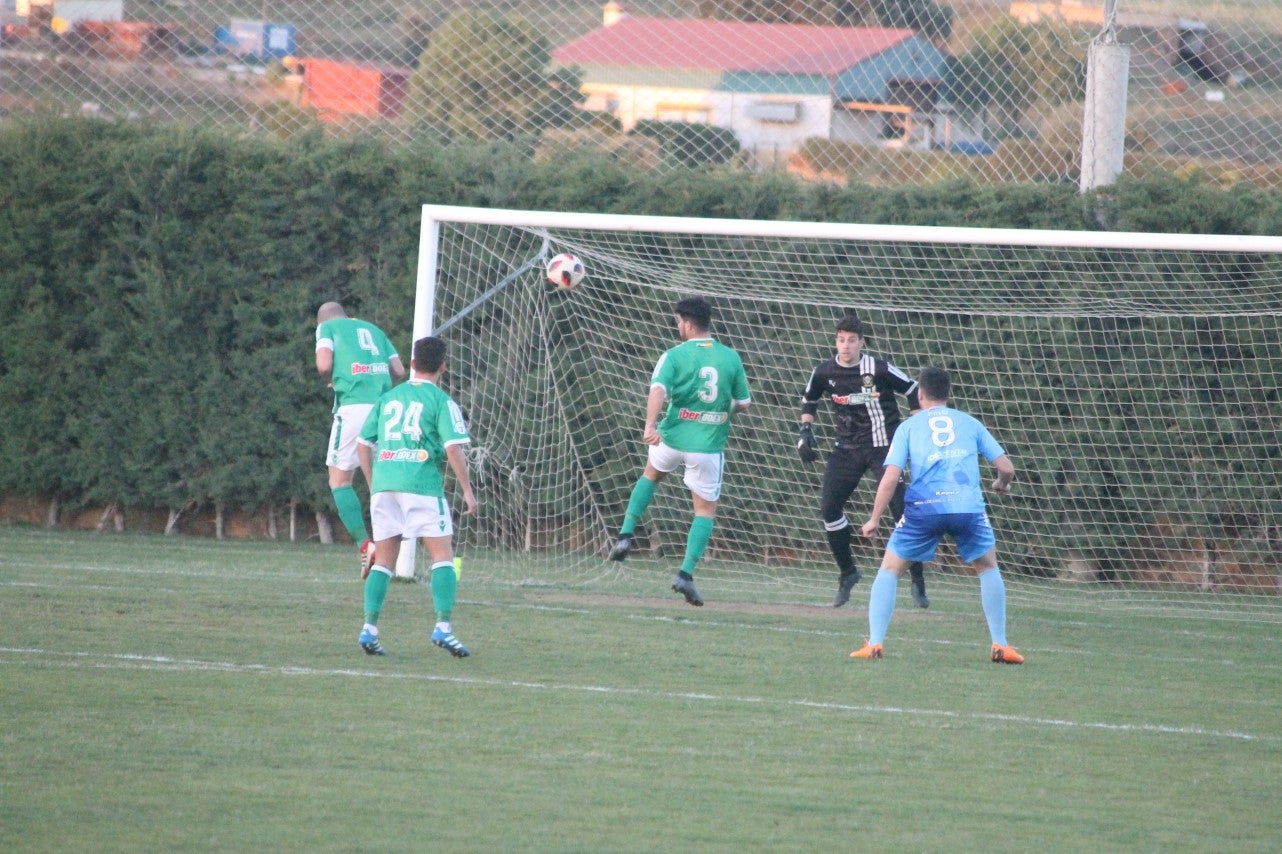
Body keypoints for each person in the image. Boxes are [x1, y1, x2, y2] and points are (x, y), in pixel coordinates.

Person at [850, 366, 1022, 664]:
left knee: (890, 568)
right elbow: (1006, 468)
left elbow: (891, 477)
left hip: (925, 508)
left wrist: (874, 518)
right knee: (988, 566)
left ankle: (875, 643)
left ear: (919, 395)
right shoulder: (970, 422)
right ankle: (1000, 645)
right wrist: (1000, 484)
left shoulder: (908, 427)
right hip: (967, 507)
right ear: (949, 394)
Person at [607, 296, 751, 606]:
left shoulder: (672, 355)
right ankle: (684, 575)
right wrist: (718, 411)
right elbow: (744, 403)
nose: (677, 327)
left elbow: (658, 389)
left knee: (651, 474)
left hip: (669, 439)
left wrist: (649, 426)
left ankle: (625, 535)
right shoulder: (730, 358)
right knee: (704, 511)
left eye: (678, 322)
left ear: (686, 323)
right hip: (707, 446)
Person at [354, 335, 477, 657]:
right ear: (443, 367)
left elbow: (363, 445)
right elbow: (453, 448)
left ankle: (369, 629)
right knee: (442, 556)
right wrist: (467, 489)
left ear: (411, 364)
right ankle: (443, 627)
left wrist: (373, 483)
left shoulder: (389, 397)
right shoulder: (441, 401)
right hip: (421, 485)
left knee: (384, 561)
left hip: (385, 486)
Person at [797, 315, 929, 609]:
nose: (845, 346)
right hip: (846, 449)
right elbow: (810, 399)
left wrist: (916, 422)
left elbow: (912, 389)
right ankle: (848, 573)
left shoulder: (878, 368)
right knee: (829, 508)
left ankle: (917, 578)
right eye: (841, 339)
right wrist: (805, 431)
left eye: (851, 340)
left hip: (884, 448)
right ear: (836, 341)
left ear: (861, 342)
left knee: (901, 511)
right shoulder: (824, 371)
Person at [315, 301, 406, 577]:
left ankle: (366, 544)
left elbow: (323, 364)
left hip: (354, 408)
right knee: (381, 479)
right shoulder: (373, 329)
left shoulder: (327, 328)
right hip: (384, 409)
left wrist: (331, 378)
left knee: (339, 481)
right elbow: (400, 370)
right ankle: (396, 539)